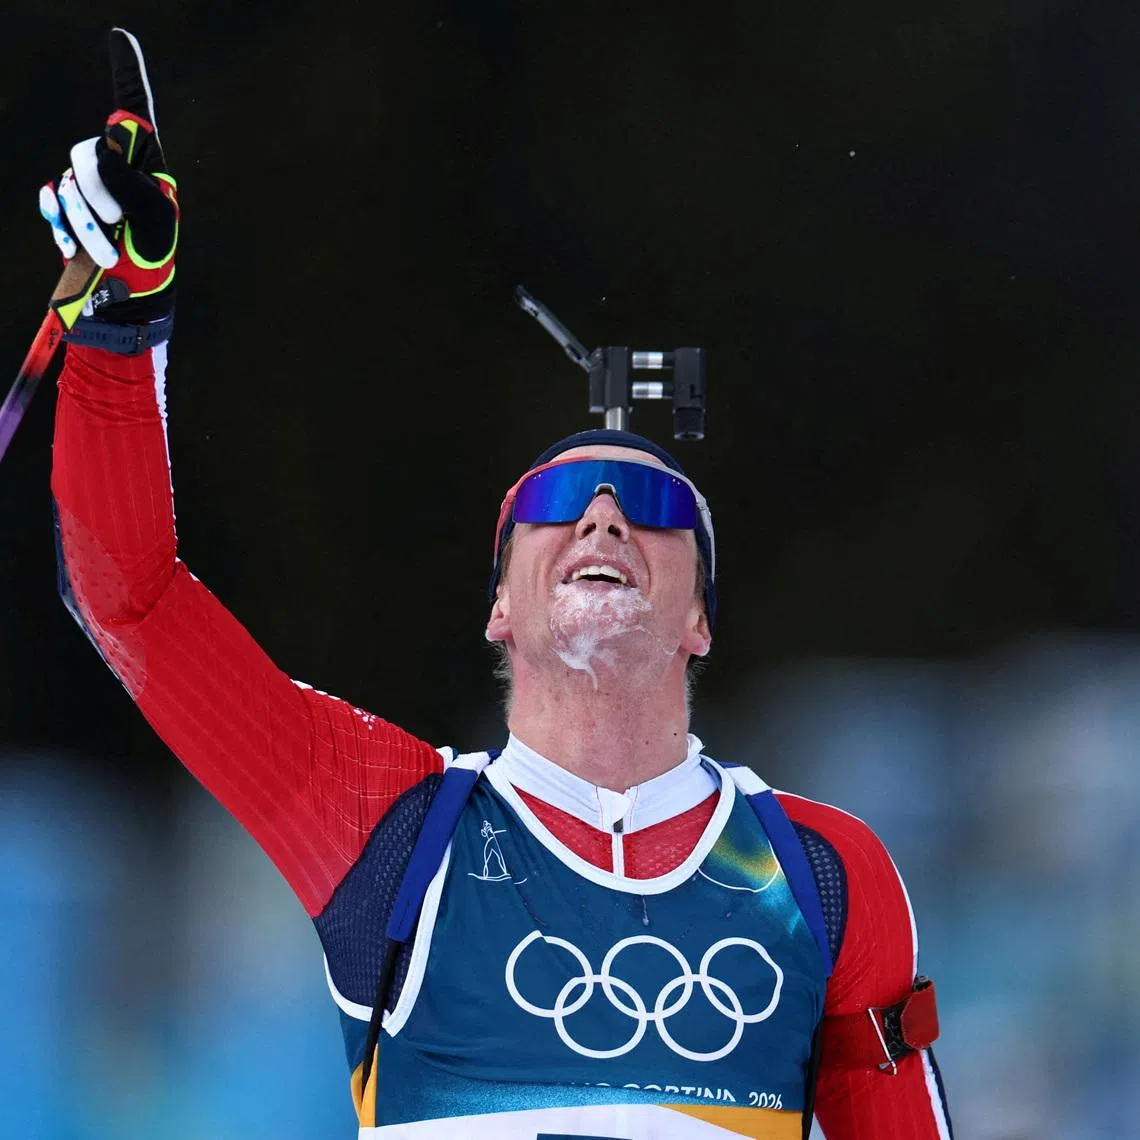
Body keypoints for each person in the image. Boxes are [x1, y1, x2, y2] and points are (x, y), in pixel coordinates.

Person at [45, 30, 952, 1140]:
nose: (605, 516)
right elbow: (128, 595)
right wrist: (123, 320)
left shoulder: (822, 877)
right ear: (500, 610)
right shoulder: (390, 825)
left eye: (654, 508)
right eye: (554, 512)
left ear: (702, 618)